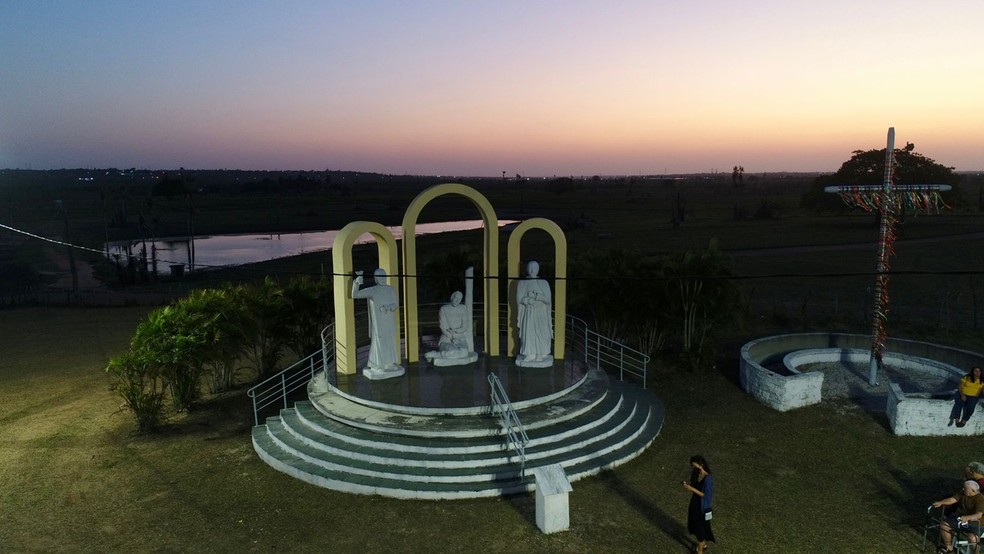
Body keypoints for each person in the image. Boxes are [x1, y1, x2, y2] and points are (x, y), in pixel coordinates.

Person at [351, 269, 401, 372]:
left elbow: (395, 303)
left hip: (388, 321)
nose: (382, 279)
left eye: (383, 276)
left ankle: (389, 364)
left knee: (389, 342)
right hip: (378, 323)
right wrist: (356, 283)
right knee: (379, 344)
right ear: (376, 279)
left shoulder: (390, 289)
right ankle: (378, 365)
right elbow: (355, 295)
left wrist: (389, 307)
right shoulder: (373, 290)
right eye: (379, 277)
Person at [931, 480, 984, 553]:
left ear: (973, 490)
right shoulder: (963, 493)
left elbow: (978, 515)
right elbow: (952, 499)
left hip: (976, 523)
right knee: (944, 525)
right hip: (960, 519)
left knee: (972, 538)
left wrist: (967, 518)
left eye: (965, 488)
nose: (963, 489)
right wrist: (941, 502)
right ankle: (949, 547)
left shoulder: (981, 499)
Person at [516, 260, 552, 364]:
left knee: (540, 333)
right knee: (529, 333)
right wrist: (527, 300)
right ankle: (529, 353)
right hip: (529, 312)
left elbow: (548, 300)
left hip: (540, 313)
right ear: (527, 269)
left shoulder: (543, 283)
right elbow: (519, 299)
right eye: (530, 268)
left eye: (534, 268)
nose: (532, 271)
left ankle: (540, 354)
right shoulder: (522, 283)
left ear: (538, 269)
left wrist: (537, 296)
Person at [683, 454, 715, 553]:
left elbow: (706, 495)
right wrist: (688, 485)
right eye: (692, 466)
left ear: (701, 465)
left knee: (700, 529)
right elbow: (695, 485)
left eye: (695, 466)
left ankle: (700, 551)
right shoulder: (696, 474)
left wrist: (691, 489)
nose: (693, 468)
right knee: (696, 526)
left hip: (701, 507)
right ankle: (703, 545)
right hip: (694, 504)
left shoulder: (708, 479)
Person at [431, 291, 471, 359]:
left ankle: (438, 355)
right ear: (451, 298)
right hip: (447, 337)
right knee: (452, 350)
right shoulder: (444, 309)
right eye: (456, 298)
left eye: (459, 299)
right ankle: (443, 353)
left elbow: (465, 326)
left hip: (460, 337)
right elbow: (443, 326)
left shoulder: (463, 308)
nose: (457, 300)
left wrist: (456, 332)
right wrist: (452, 337)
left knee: (464, 352)